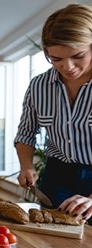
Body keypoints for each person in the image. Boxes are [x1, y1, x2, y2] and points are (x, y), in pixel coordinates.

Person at [15, 3, 92, 222]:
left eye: (78, 56)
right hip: (57, 176)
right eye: (56, 59)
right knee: (54, 245)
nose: (68, 67)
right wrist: (27, 166)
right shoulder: (39, 86)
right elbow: (26, 132)